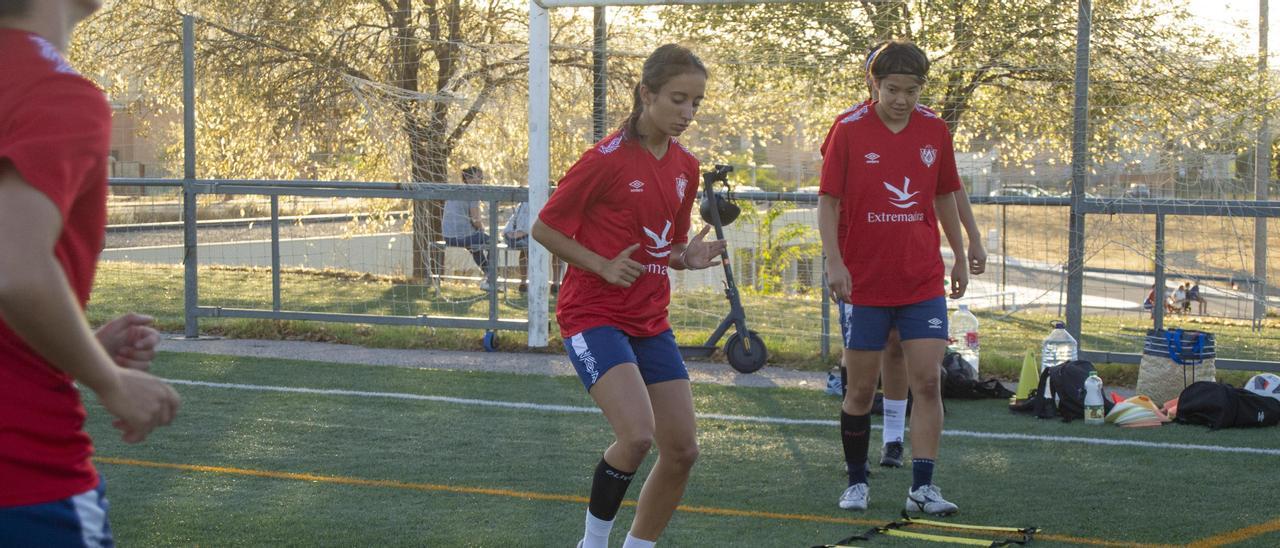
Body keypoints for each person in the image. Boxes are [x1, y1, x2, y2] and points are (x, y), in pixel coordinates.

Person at [0, 0, 182, 544]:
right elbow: (15, 269)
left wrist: (76, 344)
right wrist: (111, 380)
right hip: (24, 477)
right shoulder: (56, 93)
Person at [531, 44, 725, 548]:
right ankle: (591, 544)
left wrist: (689, 258)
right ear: (646, 94)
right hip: (592, 314)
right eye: (678, 100)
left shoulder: (687, 167)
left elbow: (672, 246)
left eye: (695, 104)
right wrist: (601, 264)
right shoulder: (605, 160)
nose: (687, 113)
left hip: (650, 321)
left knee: (682, 450)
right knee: (637, 435)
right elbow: (544, 228)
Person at [818, 40, 970, 516]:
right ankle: (857, 481)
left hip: (921, 281)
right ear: (873, 84)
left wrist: (962, 253)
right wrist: (834, 262)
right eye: (892, 89)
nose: (902, 99)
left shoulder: (934, 130)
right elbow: (827, 203)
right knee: (860, 388)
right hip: (864, 282)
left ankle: (922, 487)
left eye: (911, 90)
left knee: (928, 382)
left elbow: (946, 194)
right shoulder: (848, 130)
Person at [442, 166, 492, 290]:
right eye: (478, 177)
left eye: (482, 177)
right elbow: (476, 220)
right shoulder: (472, 192)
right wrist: (482, 229)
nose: (481, 180)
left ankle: (488, 274)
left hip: (448, 237)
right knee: (493, 242)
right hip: (463, 236)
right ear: (468, 179)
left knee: (475, 246)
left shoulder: (455, 189)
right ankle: (491, 278)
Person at [502, 200, 562, 293]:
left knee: (526, 250)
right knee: (557, 247)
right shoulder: (538, 200)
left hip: (517, 236)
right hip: (528, 236)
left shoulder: (524, 202)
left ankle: (524, 282)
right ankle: (556, 282)